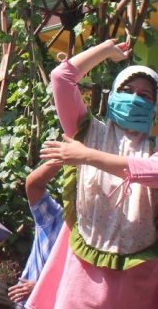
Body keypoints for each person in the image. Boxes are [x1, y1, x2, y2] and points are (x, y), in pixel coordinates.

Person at [25, 39, 158, 308]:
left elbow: (152, 172)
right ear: (112, 96)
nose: (134, 98)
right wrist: (107, 50)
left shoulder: (152, 148)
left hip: (138, 272)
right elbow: (61, 77)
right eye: (127, 89)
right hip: (83, 267)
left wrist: (85, 156)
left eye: (145, 96)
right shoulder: (88, 131)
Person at [7, 160, 63, 307]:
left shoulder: (102, 241)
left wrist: (41, 288)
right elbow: (33, 184)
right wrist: (64, 156)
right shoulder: (55, 219)